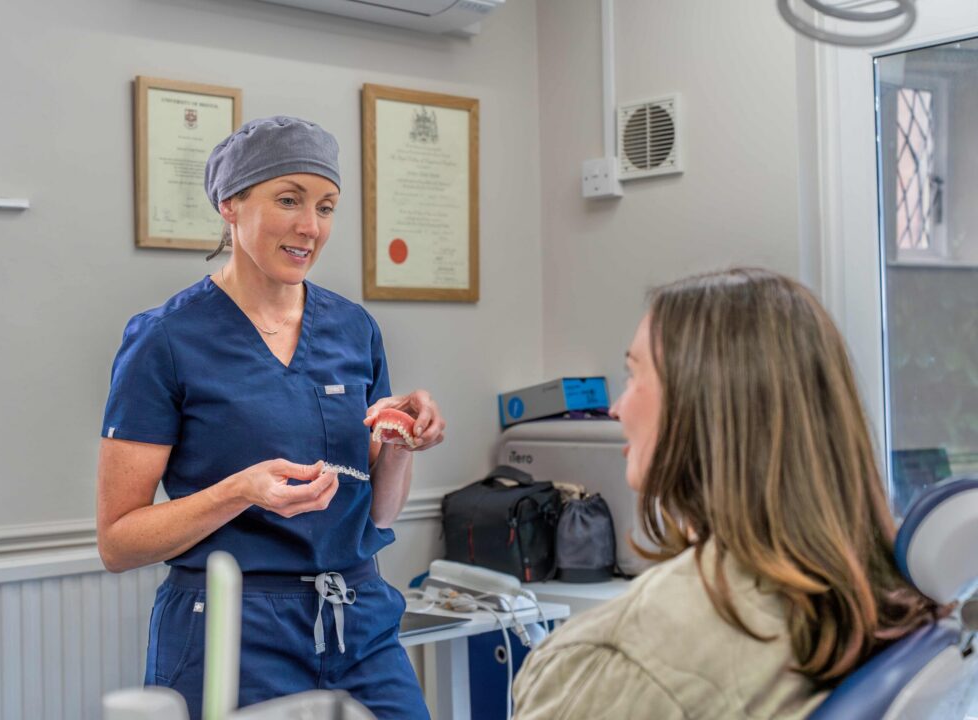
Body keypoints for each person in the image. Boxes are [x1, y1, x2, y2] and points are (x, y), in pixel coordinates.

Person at [96, 116, 442, 719]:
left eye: (327, 206)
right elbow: (119, 542)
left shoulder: (354, 329)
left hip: (358, 621)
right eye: (289, 200)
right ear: (231, 204)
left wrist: (400, 443)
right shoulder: (165, 339)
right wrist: (238, 493)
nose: (311, 226)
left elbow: (378, 512)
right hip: (233, 631)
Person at [512, 268, 942, 719]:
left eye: (633, 376)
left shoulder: (638, 655)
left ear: (703, 408)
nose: (616, 408)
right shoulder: (885, 591)